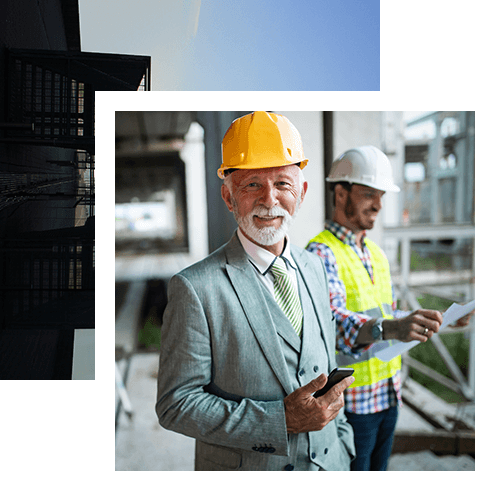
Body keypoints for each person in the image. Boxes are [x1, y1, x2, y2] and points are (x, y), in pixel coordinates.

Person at [156, 111, 356, 471]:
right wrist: (278, 421)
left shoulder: (314, 267)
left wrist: (342, 446)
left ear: (303, 192)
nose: (270, 199)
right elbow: (176, 404)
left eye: (283, 183)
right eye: (252, 185)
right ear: (229, 197)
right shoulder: (195, 288)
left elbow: (324, 366)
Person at [306, 145, 473, 471]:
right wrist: (390, 327)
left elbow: (390, 315)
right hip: (351, 402)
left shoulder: (377, 254)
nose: (379, 204)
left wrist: (442, 320)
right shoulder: (320, 252)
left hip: (388, 393)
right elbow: (331, 320)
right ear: (341, 194)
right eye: (369, 193)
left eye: (381, 195)